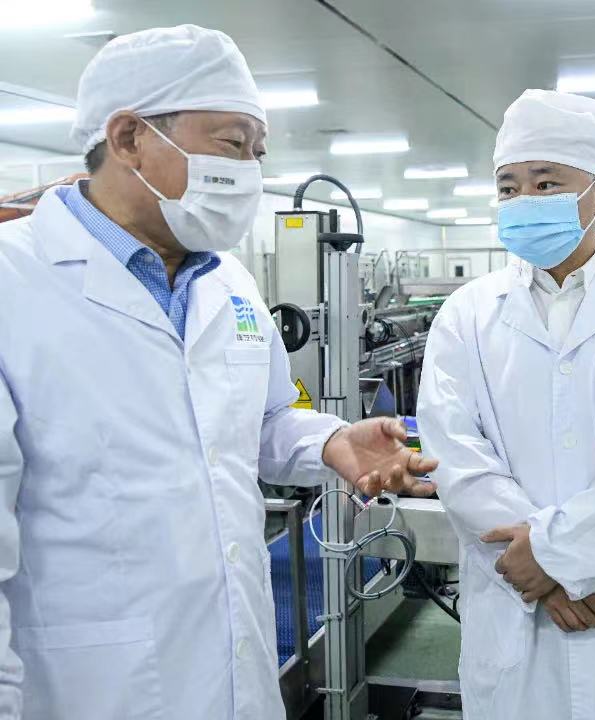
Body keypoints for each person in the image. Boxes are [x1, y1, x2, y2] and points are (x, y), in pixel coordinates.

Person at [0, 25, 436, 720]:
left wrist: (329, 442)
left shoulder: (228, 281)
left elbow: (263, 420)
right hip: (88, 687)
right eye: (233, 144)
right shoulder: (14, 282)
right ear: (129, 138)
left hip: (238, 667)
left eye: (259, 151)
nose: (251, 171)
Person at [416, 89, 595, 719]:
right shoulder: (466, 314)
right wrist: (537, 568)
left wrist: (558, 556)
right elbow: (454, 451)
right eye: (508, 187)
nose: (524, 200)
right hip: (514, 591)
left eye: (546, 183)